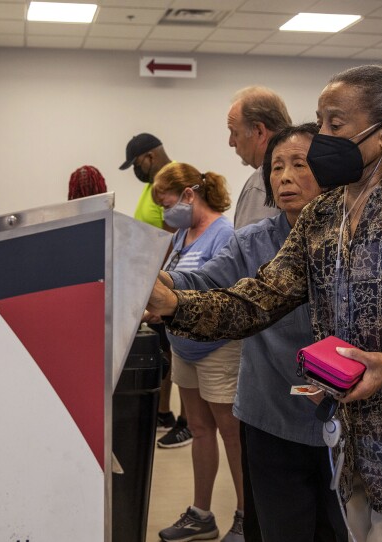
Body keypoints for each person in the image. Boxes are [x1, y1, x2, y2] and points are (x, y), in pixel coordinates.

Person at [148, 64, 382, 541]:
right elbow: (259, 299)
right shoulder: (326, 213)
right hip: (351, 450)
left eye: (335, 123)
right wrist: (174, 304)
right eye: (319, 120)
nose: (320, 136)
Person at [157, 124, 346, 541]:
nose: (284, 176)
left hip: (342, 419)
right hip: (270, 416)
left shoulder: (358, 241)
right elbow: (205, 282)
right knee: (281, 527)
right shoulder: (251, 242)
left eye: (299, 164)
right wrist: (161, 287)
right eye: (276, 167)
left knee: (337, 529)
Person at [149, 163, 243, 542]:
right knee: (200, 430)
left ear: (189, 194)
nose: (163, 210)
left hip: (218, 348)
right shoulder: (181, 235)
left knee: (231, 434)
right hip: (184, 346)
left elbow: (223, 292)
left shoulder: (224, 234)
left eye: (165, 201)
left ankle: (244, 517)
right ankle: (201, 514)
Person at [120, 133, 192, 447]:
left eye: (137, 163)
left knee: (177, 353)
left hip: (165, 281)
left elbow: (170, 237)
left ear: (150, 156)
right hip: (151, 280)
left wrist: (153, 277)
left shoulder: (173, 181)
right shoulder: (154, 186)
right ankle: (163, 413)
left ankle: (186, 421)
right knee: (163, 351)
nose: (137, 170)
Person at [227, 86, 291, 229]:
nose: (231, 142)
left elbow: (253, 249)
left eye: (234, 132)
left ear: (259, 131)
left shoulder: (263, 182)